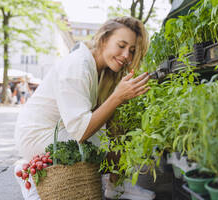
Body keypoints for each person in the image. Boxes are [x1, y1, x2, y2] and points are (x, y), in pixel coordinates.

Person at [14, 16, 155, 200]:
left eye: (132, 50)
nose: (126, 55)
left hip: (53, 132)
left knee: (118, 123)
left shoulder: (99, 70)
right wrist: (118, 96)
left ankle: (115, 184)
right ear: (103, 40)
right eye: (121, 46)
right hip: (37, 136)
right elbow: (81, 131)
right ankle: (33, 175)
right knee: (119, 136)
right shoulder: (78, 67)